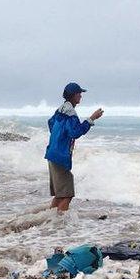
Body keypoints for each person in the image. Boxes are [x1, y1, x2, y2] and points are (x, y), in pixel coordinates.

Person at [45, 82, 103, 212]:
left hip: (52, 153)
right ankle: (58, 224)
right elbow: (75, 132)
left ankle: (49, 221)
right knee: (67, 195)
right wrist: (91, 119)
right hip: (60, 156)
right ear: (73, 95)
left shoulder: (60, 109)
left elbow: (50, 123)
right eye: (79, 94)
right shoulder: (70, 112)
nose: (81, 96)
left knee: (60, 195)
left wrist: (59, 137)